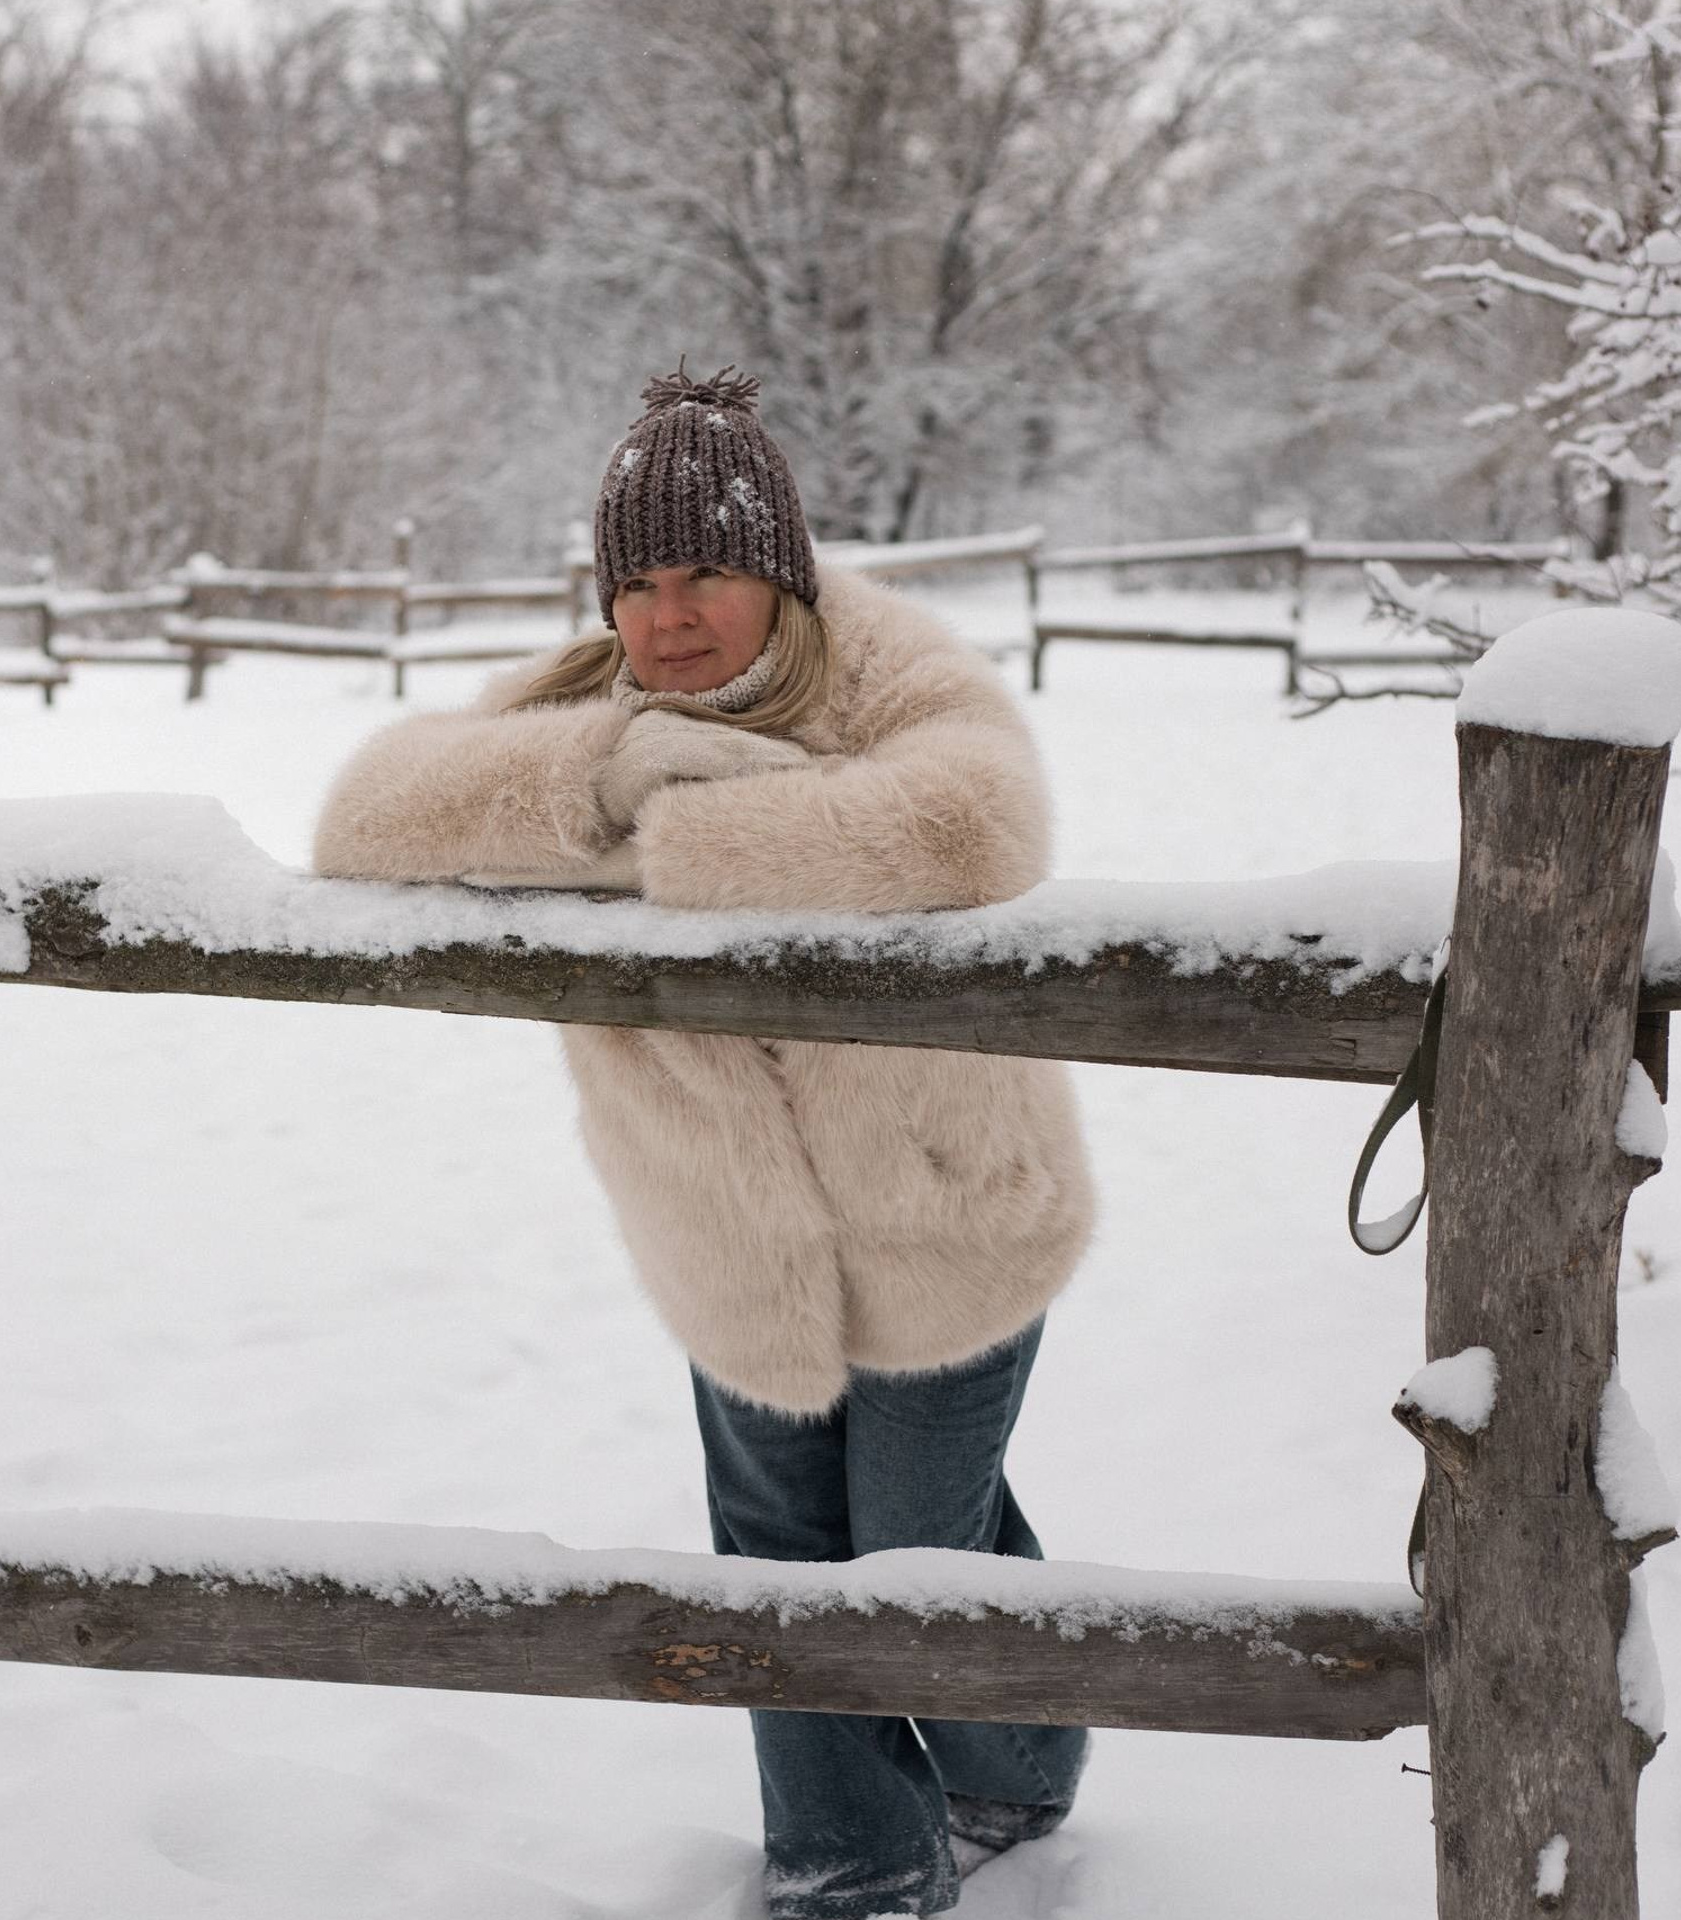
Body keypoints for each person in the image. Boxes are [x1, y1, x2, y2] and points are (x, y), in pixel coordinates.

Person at [312, 361, 1096, 1920]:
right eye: (638, 582)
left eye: (709, 574)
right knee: (777, 1558)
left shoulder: (888, 671)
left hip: (952, 1212)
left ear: (781, 576)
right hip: (728, 1239)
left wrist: (677, 839)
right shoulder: (586, 709)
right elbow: (364, 818)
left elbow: (979, 819)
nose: (670, 619)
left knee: (922, 1538)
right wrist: (599, 778)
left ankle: (1017, 1762)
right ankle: (850, 1861)